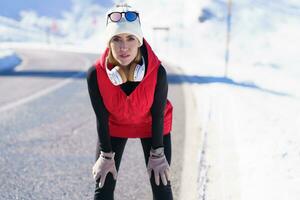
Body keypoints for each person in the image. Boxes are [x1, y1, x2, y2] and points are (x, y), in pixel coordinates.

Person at [86, 3, 173, 200]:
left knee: (161, 185)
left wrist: (158, 153)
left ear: (139, 41)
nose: (124, 47)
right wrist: (106, 156)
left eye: (130, 38)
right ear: (108, 43)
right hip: (114, 127)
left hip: (153, 126)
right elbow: (101, 117)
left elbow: (158, 114)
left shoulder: (157, 73)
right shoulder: (95, 75)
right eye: (116, 39)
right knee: (102, 188)